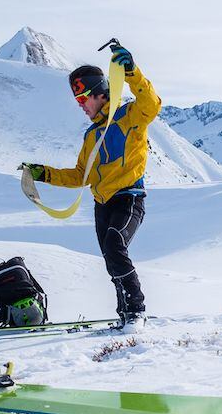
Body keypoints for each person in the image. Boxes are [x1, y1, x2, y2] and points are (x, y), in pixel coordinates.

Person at [21, 43, 159, 325]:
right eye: (77, 100)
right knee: (111, 258)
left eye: (84, 98)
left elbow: (151, 104)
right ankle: (125, 314)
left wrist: (132, 72)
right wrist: (41, 173)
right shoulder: (91, 136)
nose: (81, 105)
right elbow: (80, 175)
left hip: (129, 197)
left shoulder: (129, 116)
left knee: (115, 245)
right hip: (102, 204)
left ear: (100, 93)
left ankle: (136, 310)